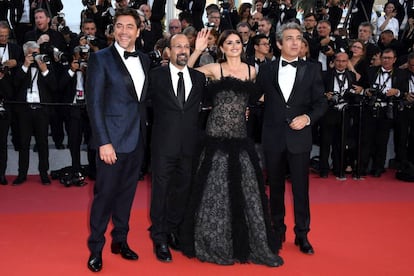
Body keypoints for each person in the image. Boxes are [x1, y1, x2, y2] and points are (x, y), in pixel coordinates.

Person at [180, 29, 284, 267]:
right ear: (222, 48)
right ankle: (215, 244)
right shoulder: (215, 69)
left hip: (240, 139)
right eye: (229, 42)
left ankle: (254, 246)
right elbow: (185, 74)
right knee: (215, 192)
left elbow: (261, 99)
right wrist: (197, 49)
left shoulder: (251, 71)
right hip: (215, 137)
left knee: (247, 192)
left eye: (238, 42)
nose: (235, 45)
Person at [85, 8, 150, 273]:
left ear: (138, 30)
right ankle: (96, 248)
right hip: (111, 141)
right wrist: (103, 142)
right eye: (119, 26)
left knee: (126, 196)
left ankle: (120, 240)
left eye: (129, 26)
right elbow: (94, 103)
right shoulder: (100, 59)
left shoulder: (145, 60)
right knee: (104, 197)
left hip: (137, 140)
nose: (124, 31)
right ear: (113, 29)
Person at [255, 22, 327, 254]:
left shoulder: (313, 68)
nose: (295, 42)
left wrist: (307, 118)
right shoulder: (266, 69)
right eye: (289, 38)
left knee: (300, 189)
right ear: (278, 43)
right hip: (273, 137)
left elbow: (321, 103)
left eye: (298, 38)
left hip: (299, 138)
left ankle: (302, 234)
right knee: (274, 188)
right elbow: (256, 99)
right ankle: (277, 231)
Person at [148, 33, 206, 263]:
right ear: (168, 52)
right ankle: (159, 236)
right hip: (163, 145)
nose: (182, 50)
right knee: (161, 191)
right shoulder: (156, 76)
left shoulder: (199, 78)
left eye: (186, 46)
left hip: (189, 146)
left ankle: (173, 229)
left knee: (183, 190)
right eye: (177, 46)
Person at [12, 41, 57, 185]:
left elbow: (54, 86)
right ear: (26, 54)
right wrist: (25, 65)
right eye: (34, 53)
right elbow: (15, 84)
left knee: (42, 143)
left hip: (41, 110)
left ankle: (44, 173)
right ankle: (22, 174)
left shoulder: (46, 65)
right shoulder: (21, 67)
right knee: (23, 144)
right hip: (24, 111)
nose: (37, 56)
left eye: (38, 52)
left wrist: (44, 69)